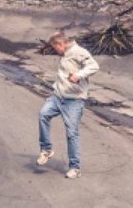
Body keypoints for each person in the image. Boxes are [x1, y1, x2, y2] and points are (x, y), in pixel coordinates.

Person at [37, 30, 99, 179]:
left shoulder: (78, 52)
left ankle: (75, 168)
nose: (55, 51)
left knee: (72, 133)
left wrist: (79, 75)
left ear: (61, 44)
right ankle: (46, 149)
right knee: (43, 115)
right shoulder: (64, 53)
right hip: (58, 96)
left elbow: (94, 66)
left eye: (55, 47)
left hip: (74, 100)